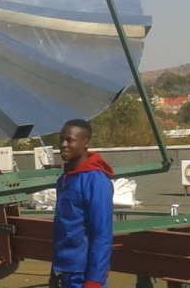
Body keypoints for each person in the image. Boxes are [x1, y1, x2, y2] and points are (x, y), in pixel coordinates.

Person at [52, 119, 114, 288]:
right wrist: (54, 272)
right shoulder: (65, 179)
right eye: (61, 139)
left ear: (85, 142)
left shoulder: (96, 181)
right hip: (63, 271)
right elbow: (62, 228)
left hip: (83, 274)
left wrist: (94, 280)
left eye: (70, 140)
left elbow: (102, 234)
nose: (63, 145)